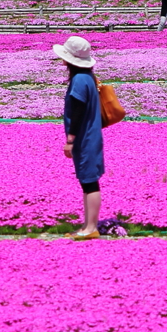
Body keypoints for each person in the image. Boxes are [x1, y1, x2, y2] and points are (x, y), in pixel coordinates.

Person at [52, 36, 104, 241]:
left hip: (85, 138)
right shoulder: (87, 76)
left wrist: (70, 140)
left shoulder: (80, 80)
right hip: (90, 136)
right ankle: (88, 225)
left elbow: (78, 111)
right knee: (87, 181)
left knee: (89, 182)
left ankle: (91, 227)